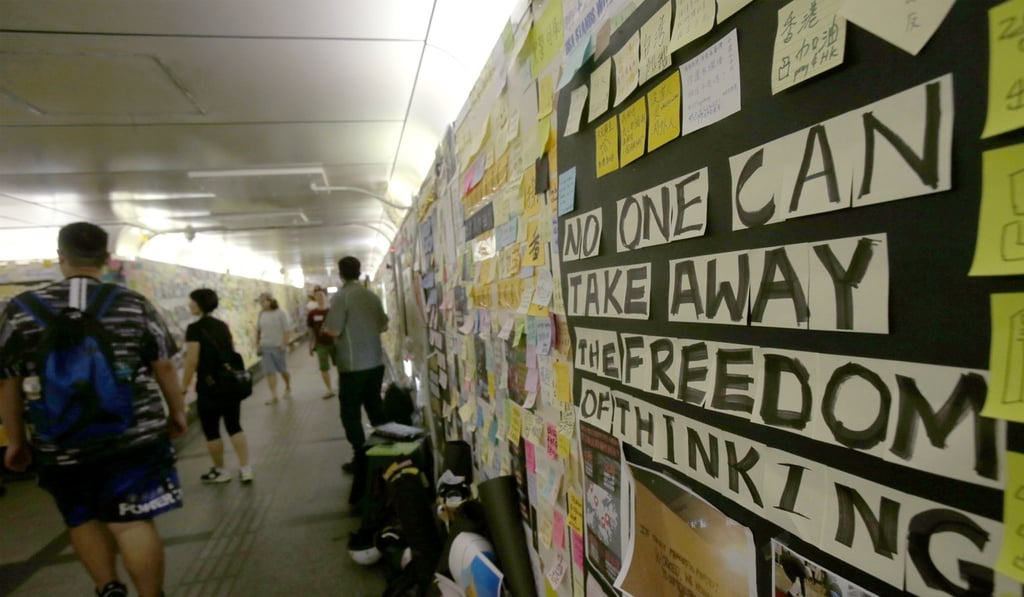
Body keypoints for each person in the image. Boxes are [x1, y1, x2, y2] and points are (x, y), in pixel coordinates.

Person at [0, 222, 187, 597]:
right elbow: (163, 364)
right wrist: (177, 413)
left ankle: (108, 588)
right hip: (132, 437)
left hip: (59, 441)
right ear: (107, 258)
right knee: (132, 522)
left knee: (81, 516)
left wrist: (16, 441)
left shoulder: (21, 310)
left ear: (60, 257)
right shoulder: (133, 303)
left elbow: (8, 380)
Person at [324, 256, 388, 475]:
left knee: (350, 413)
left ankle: (361, 457)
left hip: (352, 366)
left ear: (340, 273)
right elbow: (383, 325)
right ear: (359, 272)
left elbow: (333, 329)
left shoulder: (341, 297)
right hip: (375, 362)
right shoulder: (371, 296)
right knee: (375, 407)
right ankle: (384, 451)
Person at [180, 288, 253, 484]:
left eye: (192, 302)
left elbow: (192, 361)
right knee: (234, 426)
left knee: (211, 430)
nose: (190, 305)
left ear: (200, 304)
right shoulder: (221, 326)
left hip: (208, 387)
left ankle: (221, 471)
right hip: (229, 384)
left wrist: (183, 387)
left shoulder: (193, 329)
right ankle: (246, 468)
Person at [256, 292, 292, 404]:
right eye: (260, 302)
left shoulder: (280, 313)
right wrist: (257, 344)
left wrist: (284, 344)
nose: (261, 304)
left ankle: (287, 386)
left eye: (263, 301)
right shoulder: (261, 314)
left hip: (278, 347)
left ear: (270, 301)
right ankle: (274, 395)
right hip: (265, 347)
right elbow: (258, 330)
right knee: (269, 372)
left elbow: (286, 329)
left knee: (283, 370)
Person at [306, 287, 336, 399]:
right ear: (314, 298)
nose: (319, 298)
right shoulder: (312, 314)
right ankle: (329, 389)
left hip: (334, 343)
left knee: (340, 365)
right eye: (317, 296)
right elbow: (310, 330)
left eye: (321, 295)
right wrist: (310, 345)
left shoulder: (332, 311)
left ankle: (341, 384)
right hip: (320, 344)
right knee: (324, 367)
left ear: (326, 296)